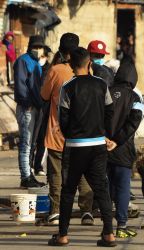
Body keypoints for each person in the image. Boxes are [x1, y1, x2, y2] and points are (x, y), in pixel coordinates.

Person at [48, 47, 116, 247]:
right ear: (89, 63)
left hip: (75, 146)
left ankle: (62, 236)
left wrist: (71, 135)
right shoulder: (101, 84)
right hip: (97, 144)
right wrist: (102, 132)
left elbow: (63, 116)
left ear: (70, 66)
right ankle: (109, 234)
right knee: (102, 189)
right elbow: (110, 110)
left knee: (69, 190)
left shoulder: (68, 87)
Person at [40, 33, 92, 226]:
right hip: (83, 134)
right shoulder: (87, 70)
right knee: (83, 173)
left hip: (57, 133)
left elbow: (44, 96)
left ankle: (55, 212)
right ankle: (86, 211)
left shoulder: (55, 70)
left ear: (61, 50)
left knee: (56, 174)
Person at [107, 58, 143, 238]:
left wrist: (105, 139)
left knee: (106, 187)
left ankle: (107, 228)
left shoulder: (105, 92)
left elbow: (96, 117)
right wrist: (118, 140)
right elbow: (134, 122)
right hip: (123, 150)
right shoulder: (135, 97)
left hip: (102, 148)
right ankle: (121, 226)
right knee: (122, 188)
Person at [14, 35, 46, 188]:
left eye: (40, 47)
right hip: (27, 107)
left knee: (32, 144)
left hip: (36, 107)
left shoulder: (36, 63)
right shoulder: (23, 60)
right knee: (26, 144)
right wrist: (27, 103)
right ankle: (25, 176)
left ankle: (29, 173)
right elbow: (21, 85)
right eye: (36, 46)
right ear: (30, 46)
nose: (38, 49)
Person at [30, 45, 53, 176]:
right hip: (35, 106)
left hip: (45, 108)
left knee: (42, 140)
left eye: (43, 56)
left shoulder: (49, 69)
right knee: (33, 139)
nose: (42, 58)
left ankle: (38, 165)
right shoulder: (34, 67)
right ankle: (30, 164)